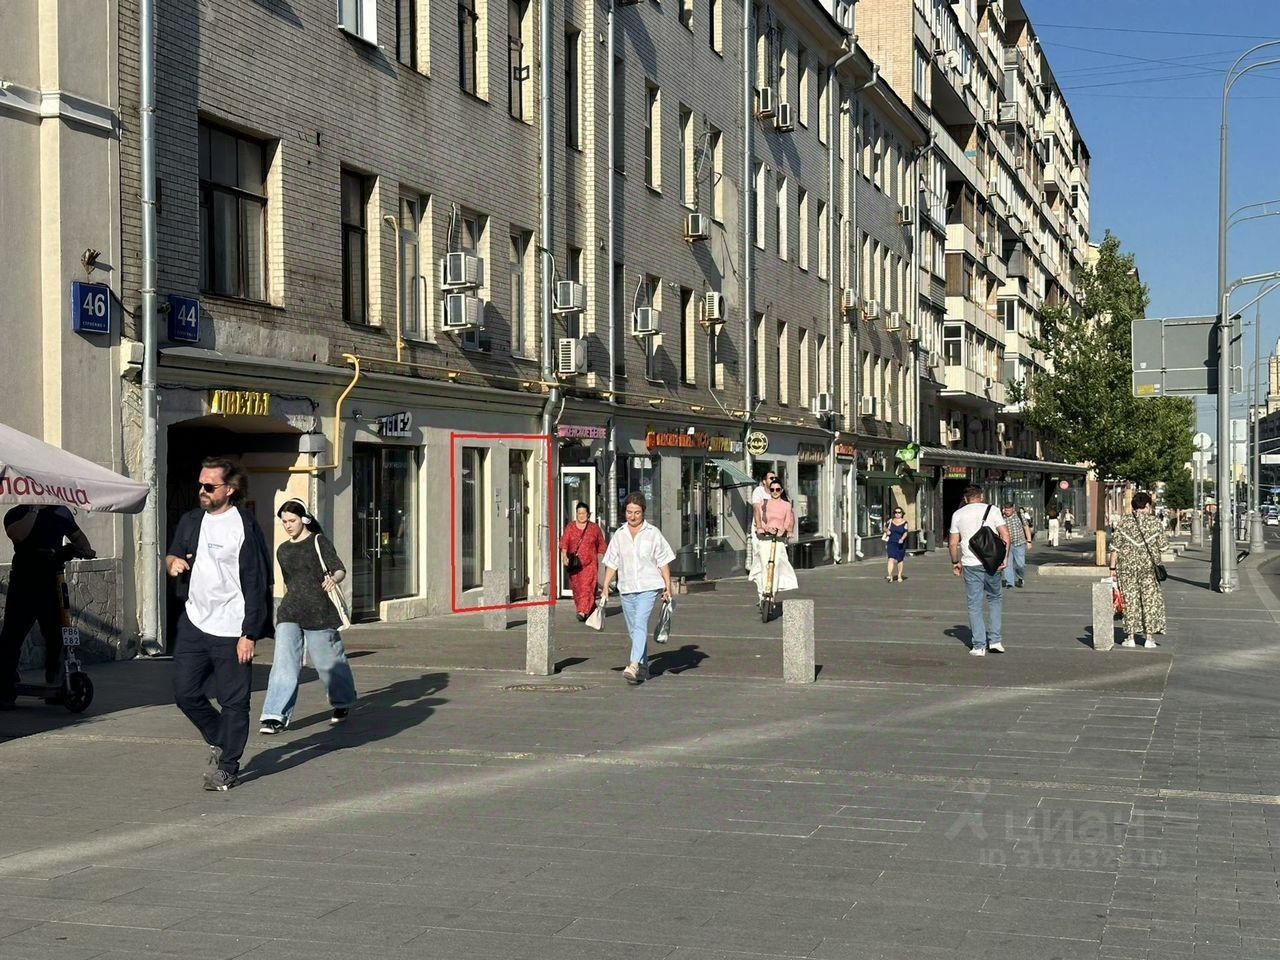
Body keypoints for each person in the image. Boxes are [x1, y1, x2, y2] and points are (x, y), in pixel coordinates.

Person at [166, 457, 273, 791]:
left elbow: (256, 582)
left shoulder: (244, 526)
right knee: (185, 693)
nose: (202, 491)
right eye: (200, 484)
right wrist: (173, 563)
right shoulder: (191, 520)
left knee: (234, 702)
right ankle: (220, 738)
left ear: (230, 489)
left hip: (232, 628)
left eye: (209, 486)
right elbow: (172, 554)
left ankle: (228, 766)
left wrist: (249, 633)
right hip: (194, 622)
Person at [258, 499, 357, 735]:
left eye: (292, 520)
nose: (288, 525)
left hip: (319, 612)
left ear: (304, 519)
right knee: (283, 664)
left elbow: (339, 568)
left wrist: (334, 579)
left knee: (328, 663)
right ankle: (274, 715)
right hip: (289, 611)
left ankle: (342, 702)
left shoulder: (318, 541)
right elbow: (289, 582)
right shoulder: (283, 550)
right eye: (284, 522)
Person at [0, 505, 96, 708]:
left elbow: (77, 536)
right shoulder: (16, 513)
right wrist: (34, 510)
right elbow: (18, 535)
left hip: (53, 581)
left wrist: (85, 549)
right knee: (12, 636)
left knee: (57, 636)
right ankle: (4, 687)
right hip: (24, 581)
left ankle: (57, 681)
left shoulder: (61, 512)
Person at [600, 493, 674, 685]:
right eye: (629, 512)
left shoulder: (653, 533)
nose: (632, 516)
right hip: (626, 588)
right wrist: (606, 586)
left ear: (643, 513)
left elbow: (663, 562)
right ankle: (643, 668)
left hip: (649, 587)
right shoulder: (620, 534)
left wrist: (668, 586)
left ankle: (633, 665)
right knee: (634, 631)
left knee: (640, 624)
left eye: (637, 513)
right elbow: (612, 562)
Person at [948, 485, 1011, 657]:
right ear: (981, 496)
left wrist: (955, 562)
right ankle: (995, 641)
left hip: (970, 564)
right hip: (992, 562)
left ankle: (979, 645)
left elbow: (953, 543)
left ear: (965, 498)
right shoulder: (993, 510)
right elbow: (1005, 535)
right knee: (995, 598)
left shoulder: (958, 514)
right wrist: (1004, 557)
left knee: (974, 604)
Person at [1108, 491, 1169, 649]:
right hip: (1149, 570)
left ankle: (1130, 638)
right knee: (1150, 601)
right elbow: (1164, 546)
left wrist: (1112, 568)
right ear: (1147, 505)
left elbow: (1115, 548)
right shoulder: (1155, 522)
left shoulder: (1124, 522)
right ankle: (1149, 638)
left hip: (1126, 569)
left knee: (1130, 601)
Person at [750, 479, 798, 601]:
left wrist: (785, 530)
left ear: (781, 491)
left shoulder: (786, 505)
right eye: (772, 489)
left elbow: (789, 520)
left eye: (777, 489)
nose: (775, 492)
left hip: (779, 540)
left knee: (776, 566)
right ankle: (763, 593)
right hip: (766, 538)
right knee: (764, 565)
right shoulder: (764, 503)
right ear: (769, 491)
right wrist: (764, 528)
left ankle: (772, 593)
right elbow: (760, 518)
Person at [559, 502, 607, 621]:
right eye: (579, 513)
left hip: (590, 564)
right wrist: (564, 556)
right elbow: (564, 542)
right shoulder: (570, 527)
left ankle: (582, 611)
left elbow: (601, 544)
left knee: (587, 587)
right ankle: (589, 610)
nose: (581, 516)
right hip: (575, 564)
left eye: (583, 513)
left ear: (588, 514)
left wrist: (607, 559)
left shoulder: (594, 528)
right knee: (577, 589)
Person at [747, 471, 778, 577]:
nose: (774, 480)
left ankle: (771, 577)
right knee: (759, 553)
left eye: (775, 478)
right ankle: (759, 576)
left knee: (773, 554)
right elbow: (756, 509)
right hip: (760, 528)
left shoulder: (777, 491)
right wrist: (759, 527)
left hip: (773, 529)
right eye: (771, 478)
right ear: (764, 481)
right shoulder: (758, 491)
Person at [1001, 502, 1032, 589]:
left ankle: (1020, 578)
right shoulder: (1001, 517)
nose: (1007, 512)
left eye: (1009, 510)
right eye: (1006, 510)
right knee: (1007, 564)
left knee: (1020, 564)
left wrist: (1029, 541)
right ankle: (1010, 583)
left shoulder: (1019, 515)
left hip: (1019, 544)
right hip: (1006, 545)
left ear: (1013, 509)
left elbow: (1026, 527)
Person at [883, 507, 909, 583]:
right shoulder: (890, 521)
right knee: (890, 558)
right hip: (891, 542)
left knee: (899, 560)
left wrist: (902, 539)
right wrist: (887, 530)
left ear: (902, 513)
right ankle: (890, 575)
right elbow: (884, 527)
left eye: (899, 512)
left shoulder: (905, 522)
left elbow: (905, 532)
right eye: (896, 512)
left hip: (900, 543)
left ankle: (899, 575)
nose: (897, 514)